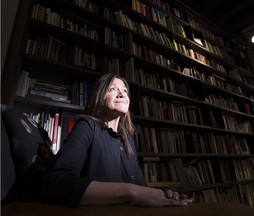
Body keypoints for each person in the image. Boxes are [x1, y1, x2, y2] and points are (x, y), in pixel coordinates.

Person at [41, 73, 194, 207]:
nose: (122, 94)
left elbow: (141, 189)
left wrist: (161, 197)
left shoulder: (129, 140)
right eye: (113, 89)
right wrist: (130, 191)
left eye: (125, 91)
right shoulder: (87, 126)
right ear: (99, 97)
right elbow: (55, 184)